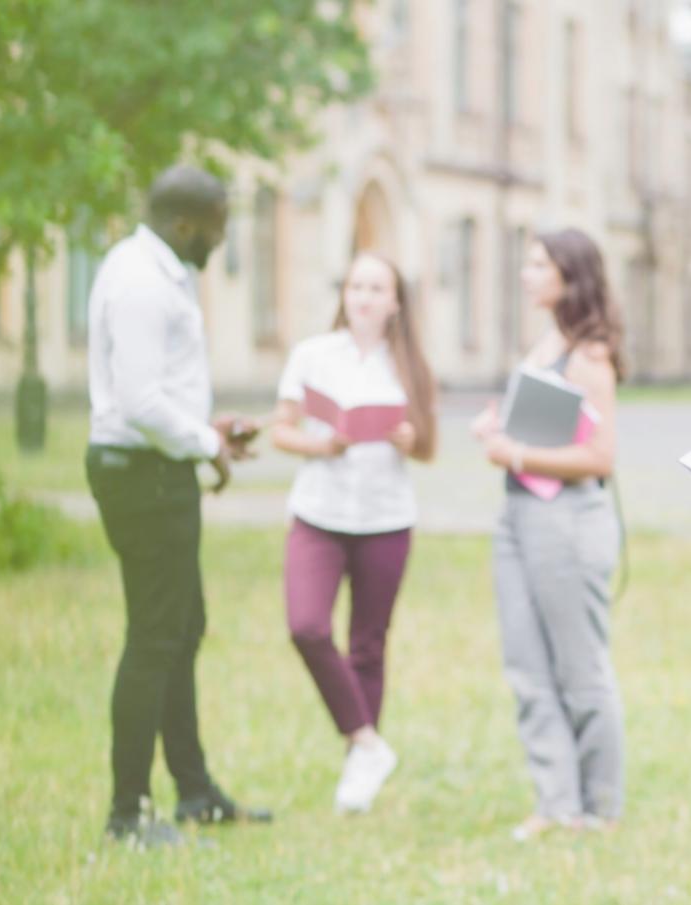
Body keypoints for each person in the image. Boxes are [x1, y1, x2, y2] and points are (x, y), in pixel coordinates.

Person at [85, 164, 272, 847]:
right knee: (155, 638)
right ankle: (127, 813)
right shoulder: (140, 281)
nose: (222, 241)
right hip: (143, 476)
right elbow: (137, 402)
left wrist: (205, 432)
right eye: (219, 226)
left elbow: (157, 390)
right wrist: (206, 444)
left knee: (182, 628)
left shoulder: (159, 271)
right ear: (186, 222)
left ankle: (194, 791)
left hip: (161, 468)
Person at [473, 228, 627, 841]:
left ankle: (602, 810)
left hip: (568, 522)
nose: (526, 273)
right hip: (518, 518)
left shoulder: (589, 355)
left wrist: (512, 452)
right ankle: (556, 803)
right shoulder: (547, 341)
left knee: (579, 669)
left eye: (538, 265)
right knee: (527, 667)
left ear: (570, 275)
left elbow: (600, 457)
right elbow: (546, 430)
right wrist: (502, 428)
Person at [270, 253, 437, 814]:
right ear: (344, 294)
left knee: (369, 645)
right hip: (319, 513)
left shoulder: (409, 364)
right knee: (307, 626)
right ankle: (366, 742)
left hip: (386, 519)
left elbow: (429, 447)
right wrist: (324, 444)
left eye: (376, 287)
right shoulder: (313, 355)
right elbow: (281, 430)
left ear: (395, 302)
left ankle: (358, 776)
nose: (364, 296)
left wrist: (407, 438)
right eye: (355, 285)